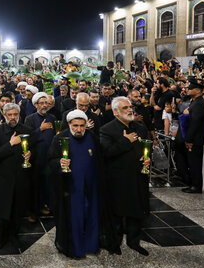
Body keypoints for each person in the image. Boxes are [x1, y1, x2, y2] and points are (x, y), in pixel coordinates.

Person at [48, 110, 105, 258]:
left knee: (91, 214)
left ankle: (91, 245)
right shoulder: (59, 139)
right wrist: (59, 163)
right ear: (69, 124)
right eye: (75, 126)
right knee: (73, 218)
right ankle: (74, 247)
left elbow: (99, 160)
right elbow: (50, 161)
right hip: (70, 188)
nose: (79, 129)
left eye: (82, 125)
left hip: (91, 187)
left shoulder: (92, 137)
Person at [99, 97, 150, 256]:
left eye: (130, 107)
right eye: (125, 108)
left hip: (138, 177)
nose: (130, 110)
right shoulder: (107, 130)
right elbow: (105, 153)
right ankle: (114, 243)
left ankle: (134, 242)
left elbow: (146, 147)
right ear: (115, 112)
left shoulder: (140, 127)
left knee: (137, 210)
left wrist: (148, 159)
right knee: (116, 213)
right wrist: (125, 141)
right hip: (117, 179)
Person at [0, 103, 35, 246]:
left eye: (15, 114)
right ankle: (2, 237)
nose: (13, 117)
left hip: (21, 176)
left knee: (18, 209)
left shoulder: (27, 130)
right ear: (4, 115)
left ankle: (14, 235)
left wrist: (30, 155)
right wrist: (10, 144)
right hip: (4, 177)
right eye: (10, 115)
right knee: (3, 210)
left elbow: (35, 150)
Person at [175, 79, 204, 193]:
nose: (187, 90)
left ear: (198, 91)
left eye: (190, 89)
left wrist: (189, 139)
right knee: (190, 162)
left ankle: (196, 186)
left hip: (195, 140)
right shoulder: (194, 102)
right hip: (191, 138)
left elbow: (195, 123)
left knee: (195, 163)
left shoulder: (199, 103)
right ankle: (191, 183)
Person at [25, 92, 56, 215]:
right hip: (36, 157)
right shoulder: (30, 119)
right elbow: (27, 138)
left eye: (46, 103)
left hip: (49, 157)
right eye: (41, 103)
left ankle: (48, 205)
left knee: (49, 184)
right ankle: (36, 209)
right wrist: (40, 129)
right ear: (36, 105)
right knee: (37, 185)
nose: (44, 105)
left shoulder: (52, 118)